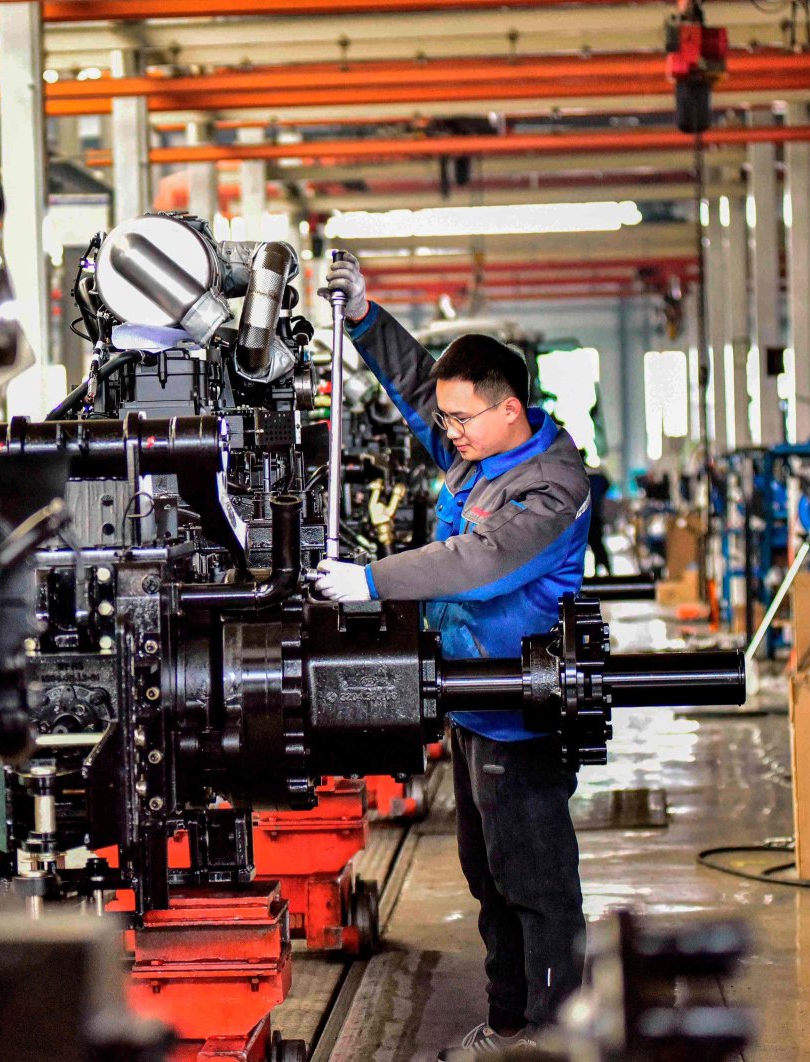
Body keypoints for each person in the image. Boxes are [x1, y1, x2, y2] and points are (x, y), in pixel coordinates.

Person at [314, 252, 591, 1061]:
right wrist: (365, 317)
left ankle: (551, 1035)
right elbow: (413, 387)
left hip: (520, 713)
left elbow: (477, 562)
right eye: (449, 422)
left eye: (463, 420)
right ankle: (510, 1025)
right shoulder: (481, 450)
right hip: (474, 702)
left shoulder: (550, 489)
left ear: (510, 410)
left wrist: (369, 580)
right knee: (488, 879)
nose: (450, 434)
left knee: (534, 886)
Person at [586, 464, 613, 576]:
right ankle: (604, 569)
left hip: (578, 518)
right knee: (598, 545)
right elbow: (607, 485)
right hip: (595, 514)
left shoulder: (571, 471)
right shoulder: (597, 473)